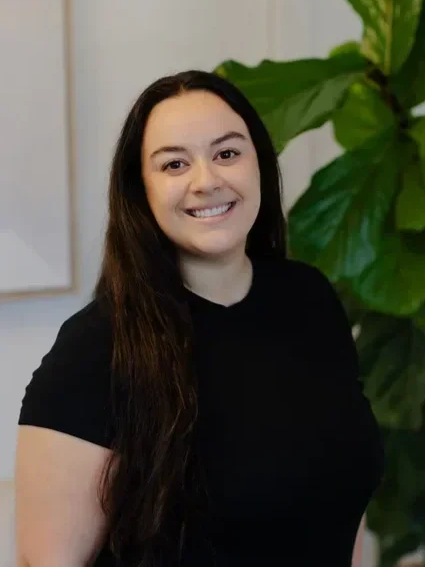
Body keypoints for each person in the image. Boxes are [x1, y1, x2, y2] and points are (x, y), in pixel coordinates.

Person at [15, 70, 384, 567]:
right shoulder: (95, 348)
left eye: (227, 153)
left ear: (260, 164)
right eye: (173, 164)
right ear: (139, 190)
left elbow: (340, 503)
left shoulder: (310, 298)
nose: (207, 181)